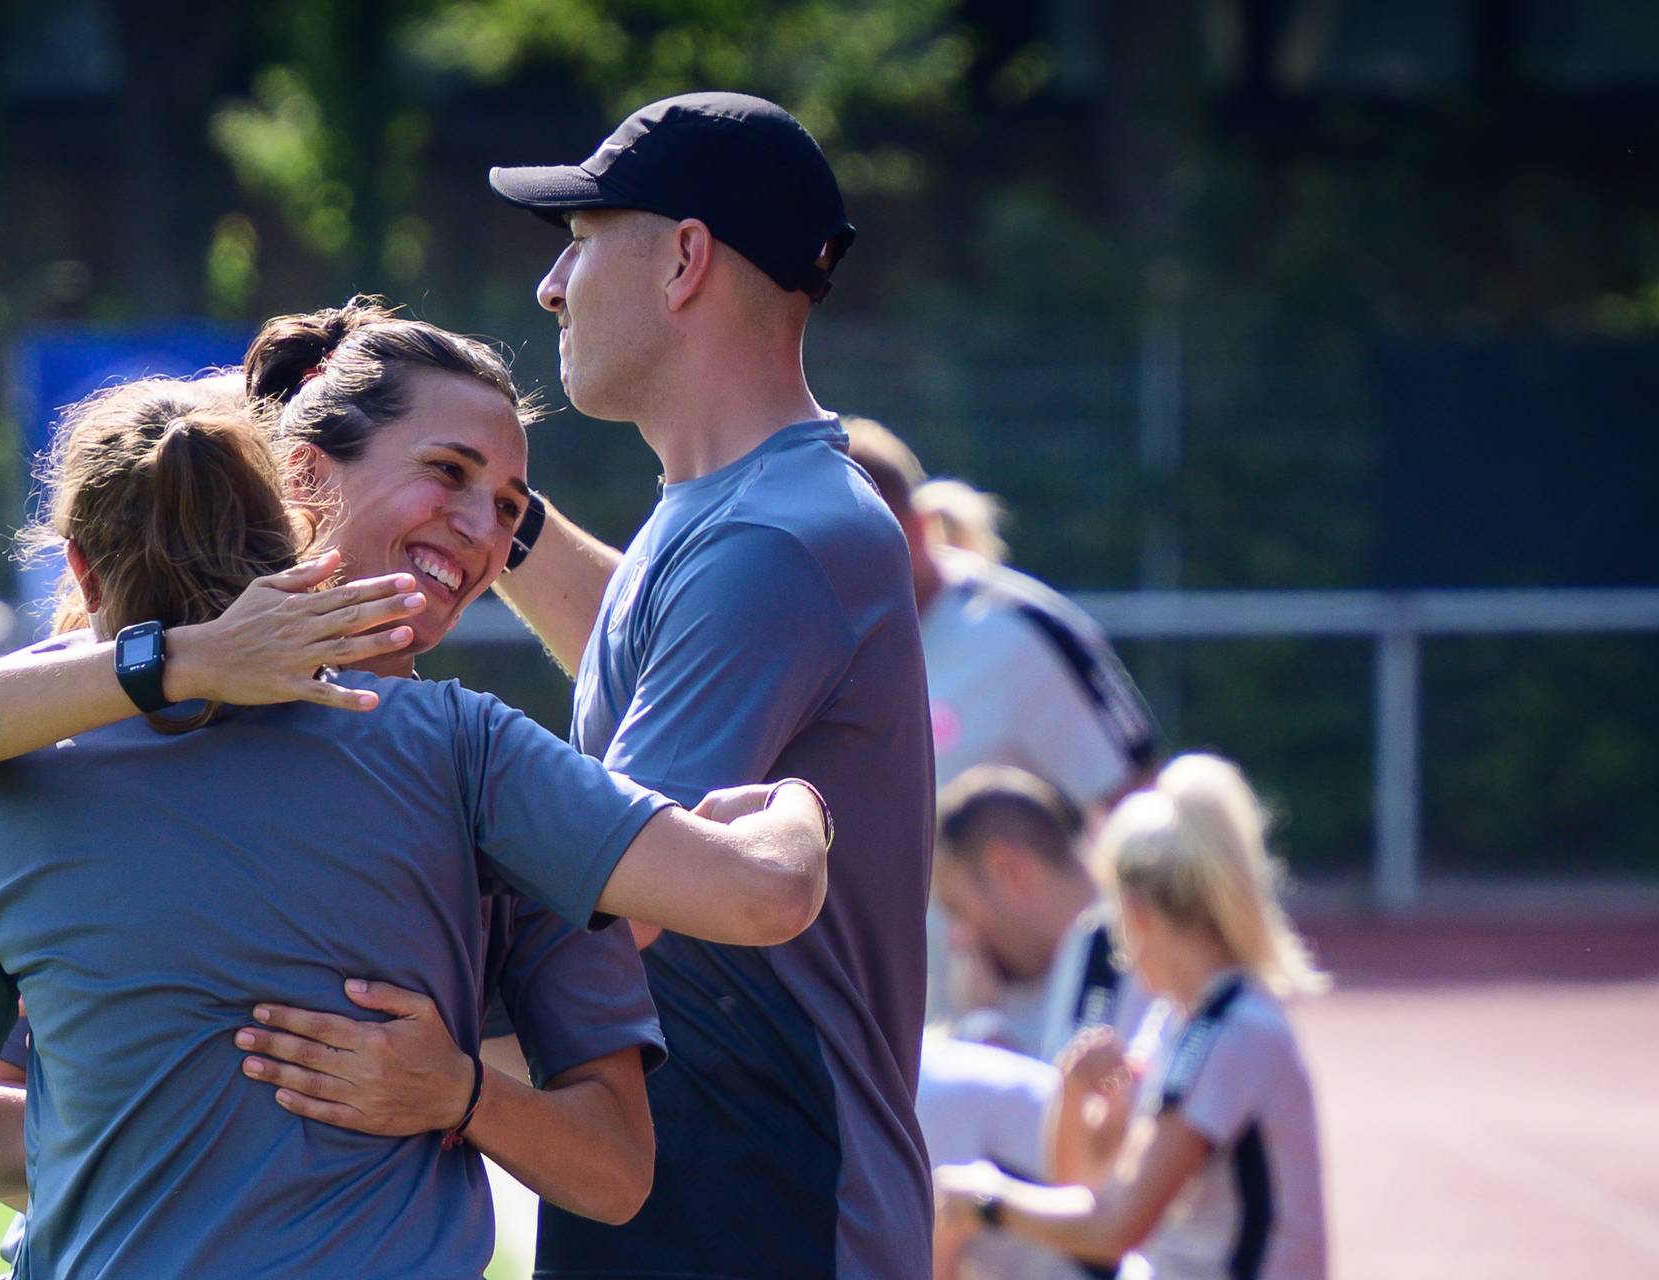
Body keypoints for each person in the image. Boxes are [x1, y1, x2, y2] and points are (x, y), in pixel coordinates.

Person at [0, 373, 841, 1277]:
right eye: (449, 476)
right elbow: (761, 893)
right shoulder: (470, 754)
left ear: (77, 563)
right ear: (301, 499)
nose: (477, 532)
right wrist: (806, 797)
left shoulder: (3, 789)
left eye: (506, 507)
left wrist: (151, 1128)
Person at [483, 92, 936, 1278]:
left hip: (765, 1200)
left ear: (685, 258)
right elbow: (646, 661)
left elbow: (606, 884)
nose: (550, 287)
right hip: (719, 1179)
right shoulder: (746, 513)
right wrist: (489, 518)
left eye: (578, 240)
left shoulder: (769, 542)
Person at [932, 755, 1330, 1280]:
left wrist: (986, 1201)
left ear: (1138, 914)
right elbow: (1082, 1186)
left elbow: (1116, 1228)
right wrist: (1075, 1098)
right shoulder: (1177, 1022)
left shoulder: (1232, 1031)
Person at [842, 418, 1156, 1033]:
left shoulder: (1018, 634)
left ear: (908, 531)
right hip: (891, 1021)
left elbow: (1142, 810)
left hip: (1037, 1020)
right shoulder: (815, 644)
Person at [914, 766, 1158, 1280]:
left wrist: (982, 1025)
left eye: (959, 907)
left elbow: (1076, 1150)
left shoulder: (1107, 945)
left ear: (1009, 870)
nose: (959, 938)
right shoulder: (1082, 952)